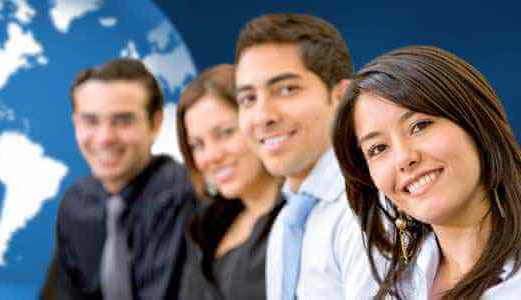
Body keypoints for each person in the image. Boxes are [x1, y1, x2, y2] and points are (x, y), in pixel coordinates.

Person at [332, 45, 521, 299]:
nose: (404, 158)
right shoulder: (390, 286)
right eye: (378, 148)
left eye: (420, 126)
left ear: (477, 123)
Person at [234, 13, 377, 299]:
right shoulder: (286, 224)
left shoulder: (370, 209)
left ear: (341, 97)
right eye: (248, 98)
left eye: (286, 89)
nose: (263, 116)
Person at [44, 58, 197, 299]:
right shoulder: (76, 204)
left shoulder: (182, 195)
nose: (105, 138)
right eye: (90, 121)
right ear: (75, 123)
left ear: (155, 124)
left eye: (123, 120)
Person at [176, 64, 283, 299]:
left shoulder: (296, 218)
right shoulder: (206, 226)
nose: (211, 156)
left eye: (225, 133)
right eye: (197, 145)